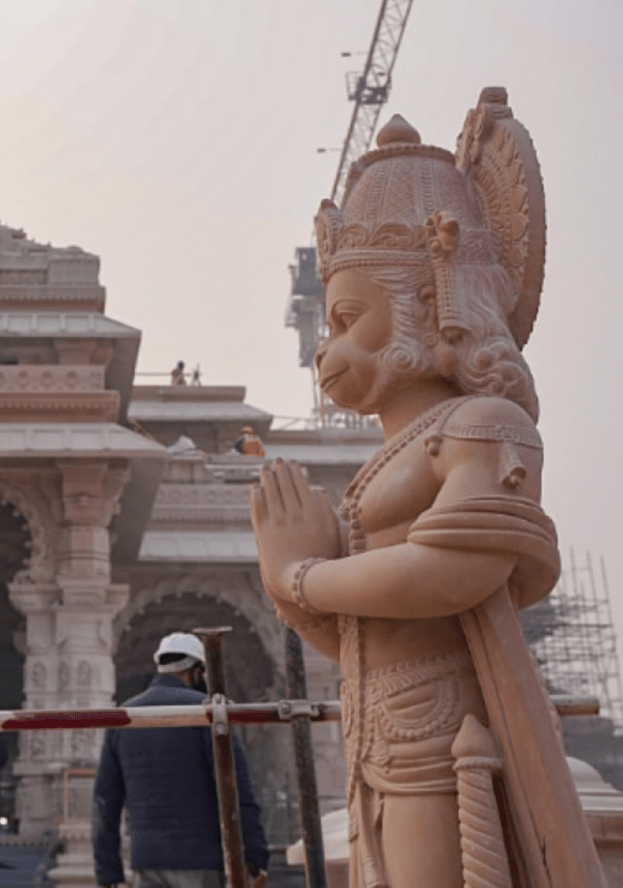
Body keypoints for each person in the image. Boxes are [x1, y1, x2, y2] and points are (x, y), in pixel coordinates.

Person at [251, 100, 603, 887]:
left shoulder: (483, 426)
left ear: (430, 305)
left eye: (347, 322)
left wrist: (298, 577)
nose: (324, 352)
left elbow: (454, 572)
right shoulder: (380, 467)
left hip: (453, 734)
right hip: (385, 724)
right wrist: (299, 593)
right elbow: (356, 631)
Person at [93, 632, 268, 888]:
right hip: (201, 860)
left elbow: (104, 805)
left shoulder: (124, 718)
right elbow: (239, 793)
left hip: (147, 860)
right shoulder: (208, 714)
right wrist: (255, 858)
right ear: (197, 671)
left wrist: (108, 874)